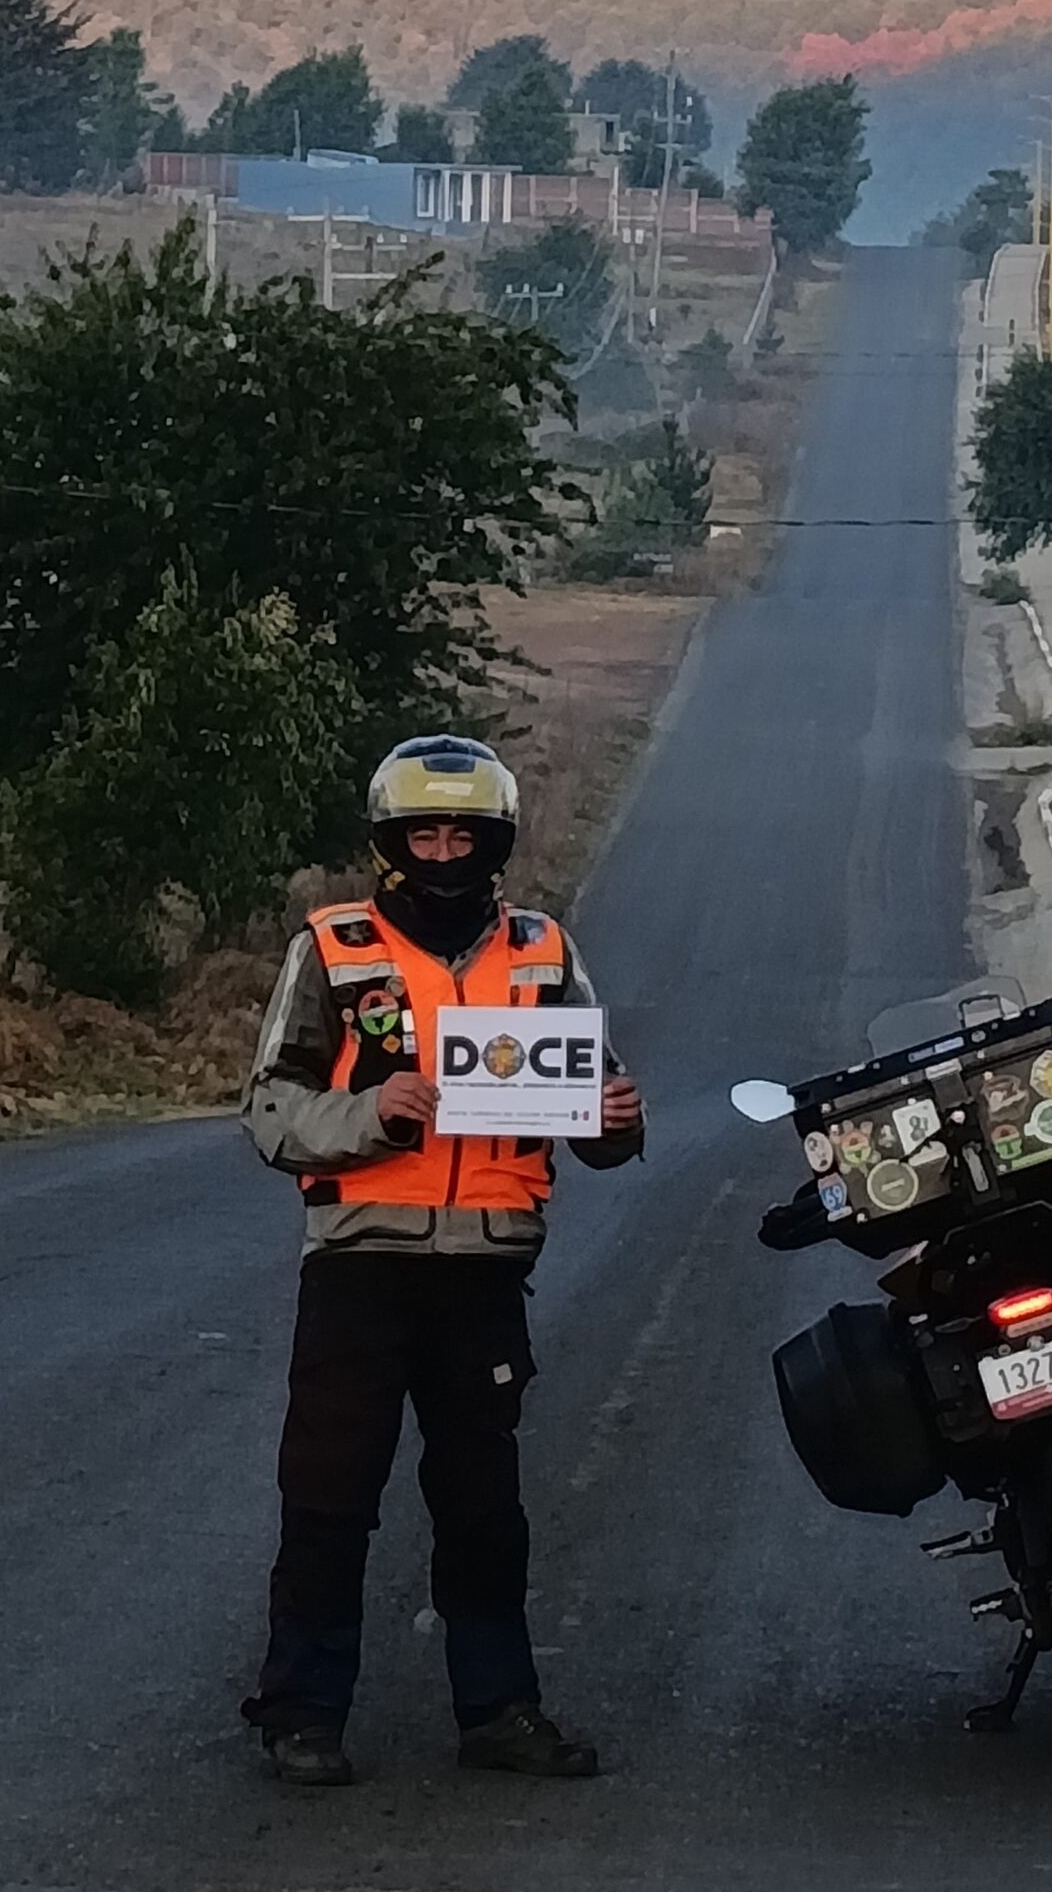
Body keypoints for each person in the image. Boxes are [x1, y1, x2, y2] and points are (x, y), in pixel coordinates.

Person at [241, 734, 644, 1789]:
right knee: (328, 1494)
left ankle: (501, 1711)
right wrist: (372, 1112)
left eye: (463, 830)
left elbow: (595, 1108)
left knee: (483, 1504)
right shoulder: (331, 948)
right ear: (387, 841)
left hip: (486, 1270)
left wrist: (614, 1117)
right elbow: (269, 1107)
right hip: (358, 1267)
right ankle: (301, 1715)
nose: (443, 847)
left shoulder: (543, 950)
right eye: (423, 829)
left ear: (495, 839)